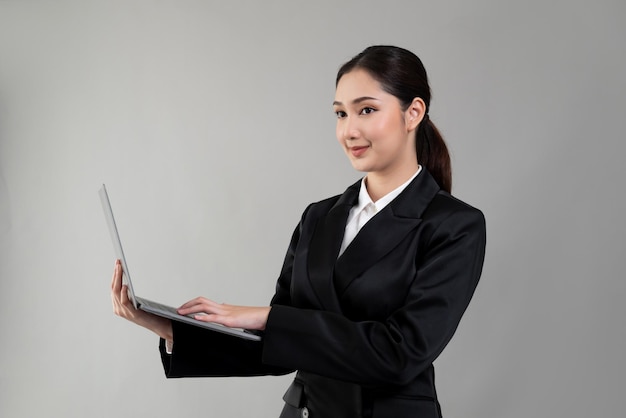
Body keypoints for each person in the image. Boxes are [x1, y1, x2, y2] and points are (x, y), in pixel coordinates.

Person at [111, 45, 486, 418]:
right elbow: (280, 348)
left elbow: (399, 354)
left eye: (366, 110)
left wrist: (269, 318)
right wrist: (166, 326)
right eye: (340, 114)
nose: (348, 130)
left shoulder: (454, 226)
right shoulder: (319, 217)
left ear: (413, 113)